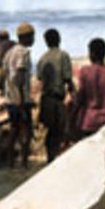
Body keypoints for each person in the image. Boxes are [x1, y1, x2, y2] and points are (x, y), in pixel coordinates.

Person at [36, 28, 74, 162]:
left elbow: (40, 79)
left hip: (46, 98)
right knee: (59, 130)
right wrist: (72, 93)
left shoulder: (42, 59)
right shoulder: (63, 55)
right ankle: (54, 159)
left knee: (50, 130)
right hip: (58, 99)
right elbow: (68, 78)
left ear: (46, 42)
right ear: (59, 39)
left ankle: (49, 157)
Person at [72, 37, 105, 139]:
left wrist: (72, 118)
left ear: (92, 54)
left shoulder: (85, 72)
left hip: (88, 121)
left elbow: (80, 98)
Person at [3, 23, 35, 168]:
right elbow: (20, 76)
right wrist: (22, 99)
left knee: (14, 129)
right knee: (26, 130)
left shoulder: (9, 52)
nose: (33, 39)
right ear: (25, 37)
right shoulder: (23, 53)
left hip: (10, 97)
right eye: (32, 36)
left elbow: (5, 73)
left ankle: (10, 161)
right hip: (20, 98)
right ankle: (23, 161)